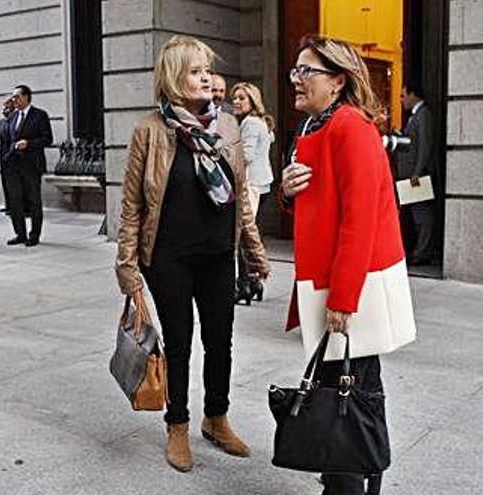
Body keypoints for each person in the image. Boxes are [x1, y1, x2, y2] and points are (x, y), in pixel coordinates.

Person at [115, 35, 271, 473]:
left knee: (220, 341)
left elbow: (240, 197)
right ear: (173, 78)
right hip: (169, 257)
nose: (208, 78)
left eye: (208, 70)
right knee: (179, 344)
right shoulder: (150, 130)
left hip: (219, 255)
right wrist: (127, 267)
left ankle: (216, 418)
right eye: (196, 70)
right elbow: (132, 205)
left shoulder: (228, 128)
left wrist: (254, 253)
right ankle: (177, 424)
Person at [280, 35, 416, 495]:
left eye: (306, 72)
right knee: (347, 386)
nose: (296, 80)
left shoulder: (350, 127)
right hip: (328, 278)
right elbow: (314, 208)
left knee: (352, 390)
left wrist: (343, 298)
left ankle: (348, 483)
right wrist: (287, 190)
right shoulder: (315, 127)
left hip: (350, 283)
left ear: (337, 81)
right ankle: (346, 478)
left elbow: (361, 220)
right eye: (295, 71)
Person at [230, 82, 275, 305]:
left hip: (251, 185)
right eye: (235, 97)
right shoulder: (260, 123)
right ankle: (253, 283)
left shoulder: (250, 123)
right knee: (249, 236)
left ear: (252, 101)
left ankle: (246, 284)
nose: (236, 101)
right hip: (261, 183)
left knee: (243, 238)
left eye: (242, 98)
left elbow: (245, 156)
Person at [2, 85, 53, 246]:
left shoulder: (39, 115)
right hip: (13, 166)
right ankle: (20, 233)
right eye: (13, 97)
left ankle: (34, 235)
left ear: (26, 97)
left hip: (31, 165)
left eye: (16, 97)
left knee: (33, 201)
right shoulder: (11, 117)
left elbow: (47, 139)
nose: (14, 100)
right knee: (15, 201)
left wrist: (29, 143)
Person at [397, 84, 436, 265]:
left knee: (422, 216)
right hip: (410, 175)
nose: (401, 100)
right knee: (415, 215)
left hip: (416, 176)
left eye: (403, 96)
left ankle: (422, 253)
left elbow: (425, 145)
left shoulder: (423, 115)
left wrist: (417, 173)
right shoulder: (415, 115)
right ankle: (418, 251)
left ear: (413, 94)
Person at [0, 97, 16, 215]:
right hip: (3, 155)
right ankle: (8, 205)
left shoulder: (15, 121)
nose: (4, 109)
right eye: (4, 107)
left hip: (13, 156)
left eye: (7, 107)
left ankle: (15, 206)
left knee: (13, 183)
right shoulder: (2, 122)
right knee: (5, 181)